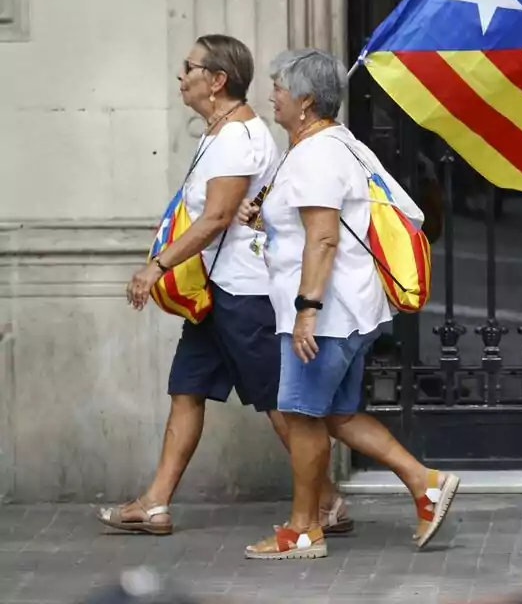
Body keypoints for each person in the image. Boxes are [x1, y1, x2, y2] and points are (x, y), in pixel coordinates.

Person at [99, 35, 351, 536]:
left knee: (279, 404)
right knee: (187, 388)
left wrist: (157, 266)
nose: (180, 75)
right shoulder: (219, 132)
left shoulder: (238, 138)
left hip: (244, 290)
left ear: (216, 81)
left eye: (189, 67)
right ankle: (155, 503)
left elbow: (215, 218)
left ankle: (327, 501)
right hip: (216, 292)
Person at [242, 49, 459, 560]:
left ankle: (302, 530)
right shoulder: (338, 143)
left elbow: (323, 239)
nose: (271, 93)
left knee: (300, 415)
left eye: (279, 86)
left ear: (306, 100)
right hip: (352, 308)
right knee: (336, 414)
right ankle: (426, 484)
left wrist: (306, 311)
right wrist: (267, 222)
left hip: (329, 313)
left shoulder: (317, 155)